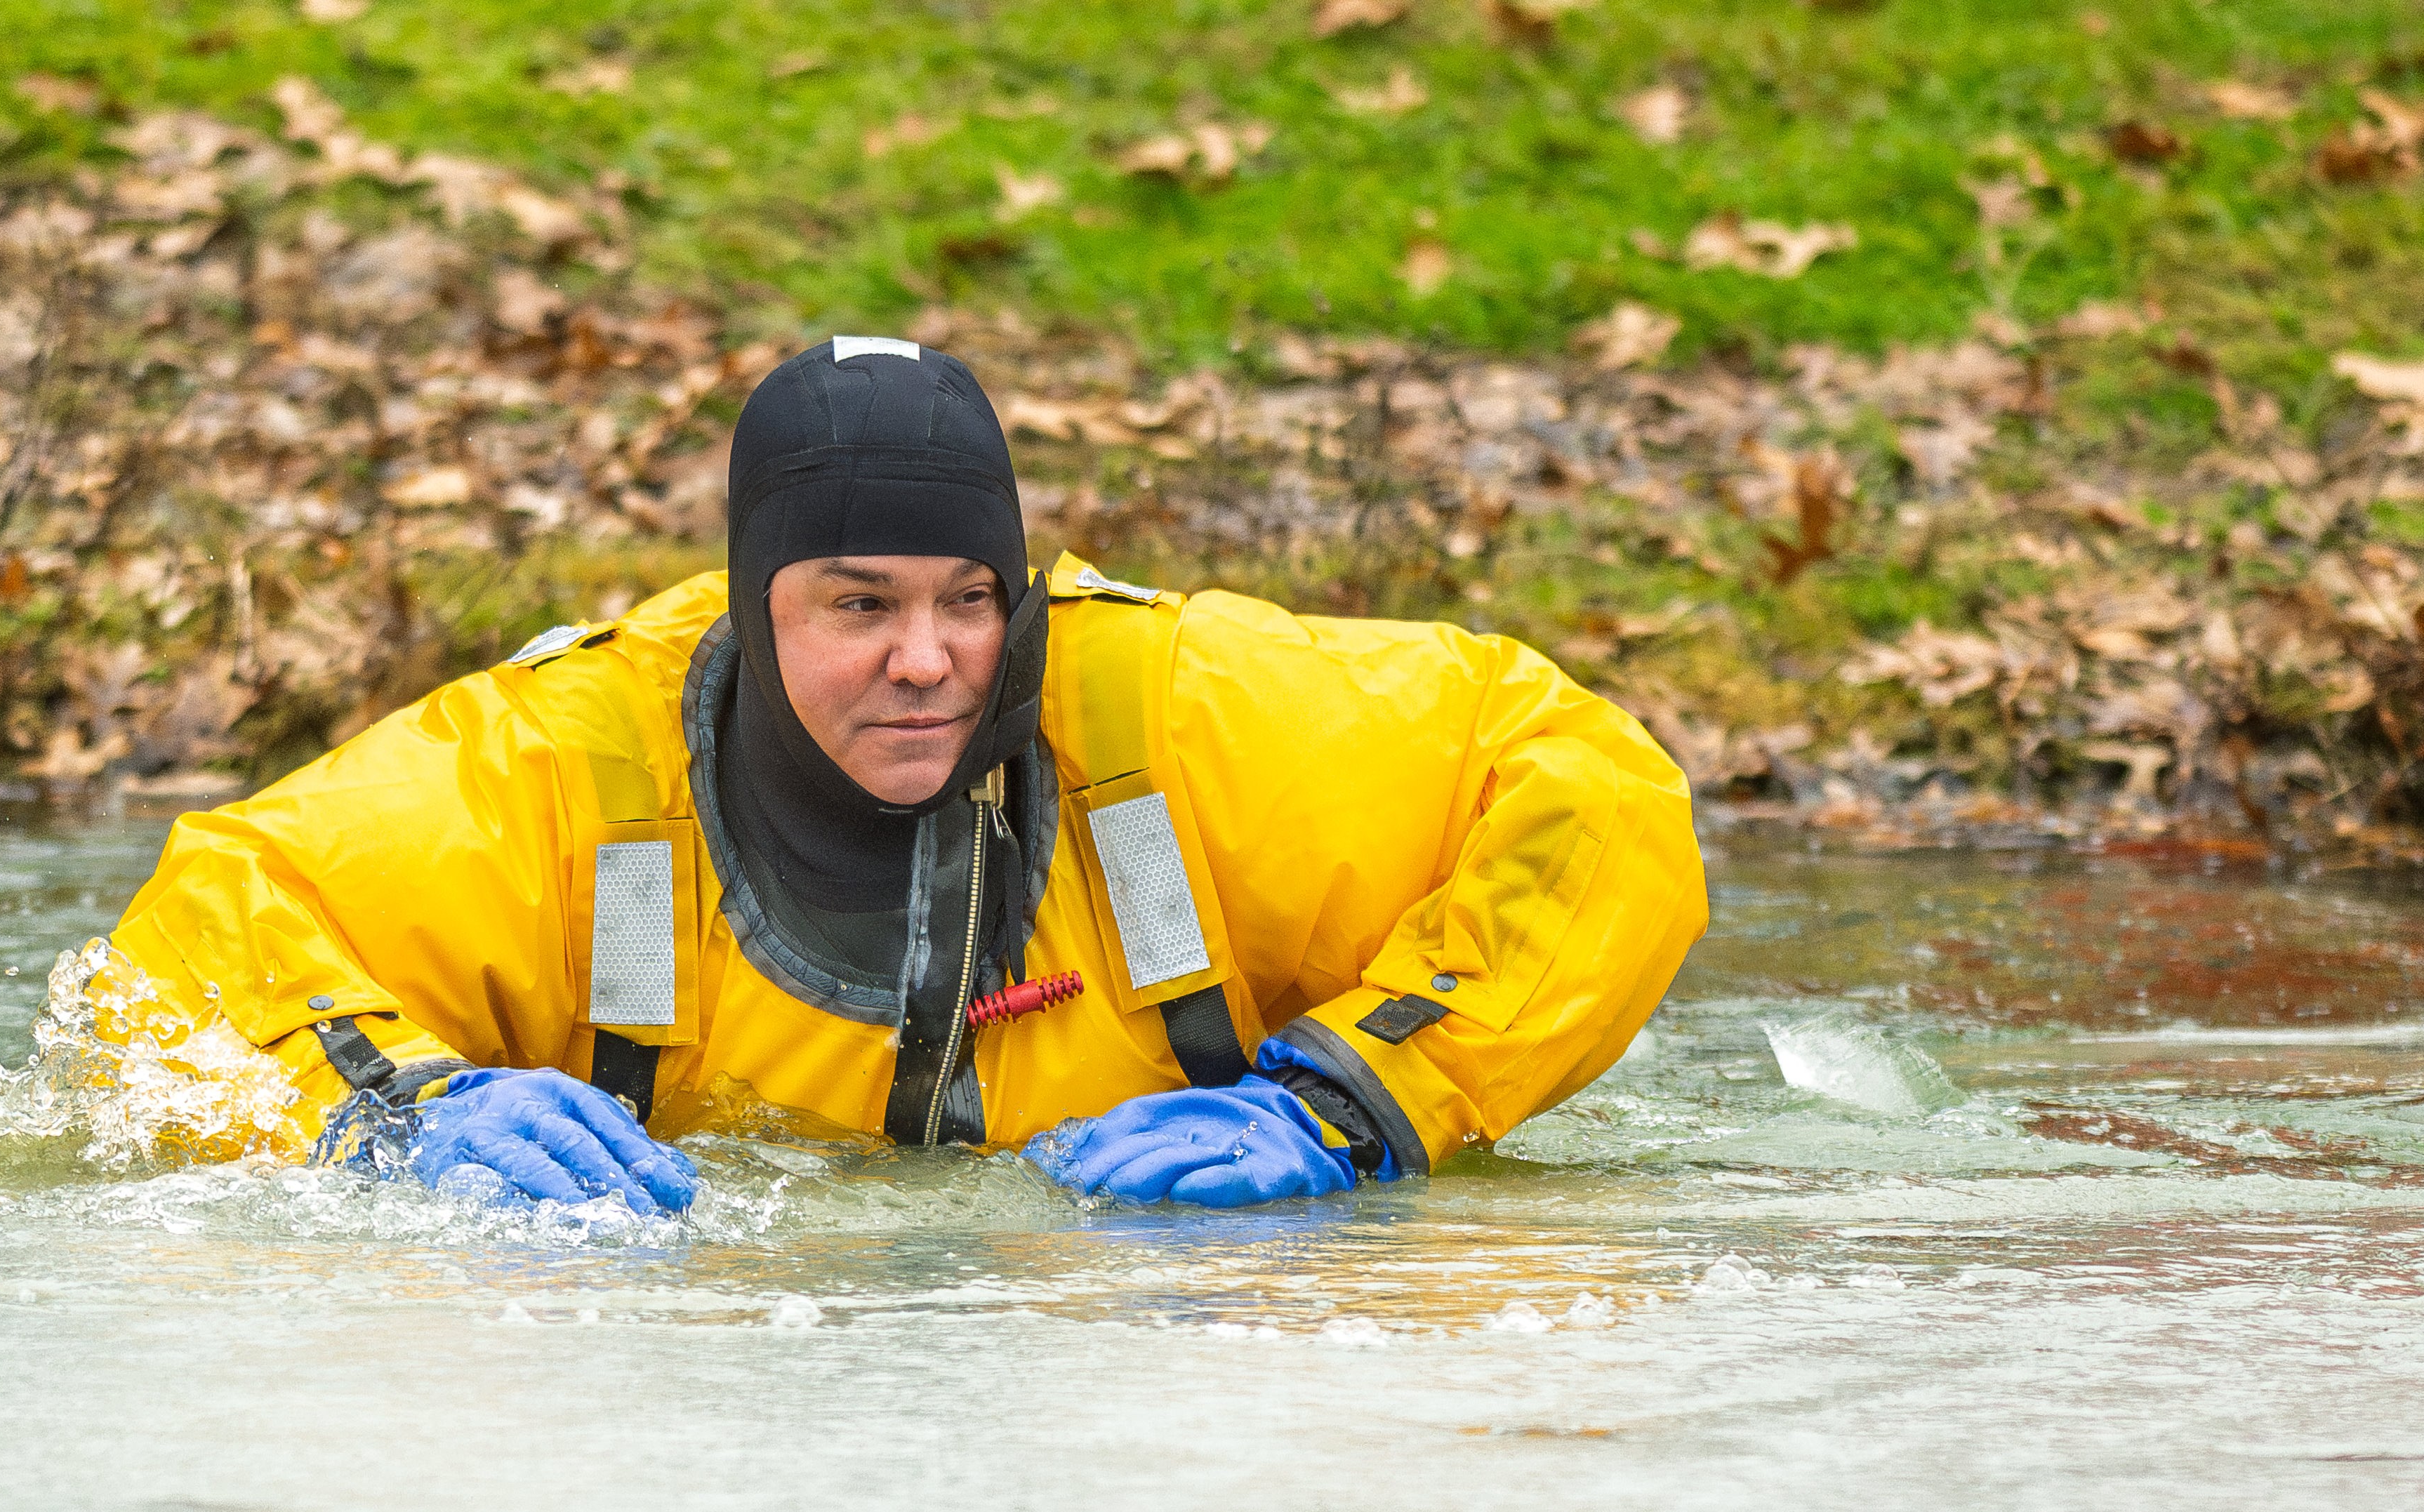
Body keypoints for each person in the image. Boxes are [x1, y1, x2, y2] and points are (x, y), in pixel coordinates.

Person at [98, 338, 1708, 1212]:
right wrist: (393, 1112)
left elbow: (1594, 788)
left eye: (966, 598)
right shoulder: (559, 766)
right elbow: (189, 941)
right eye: (856, 605)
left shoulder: (1174, 708)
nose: (927, 659)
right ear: (749, 605)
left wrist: (1360, 1098)